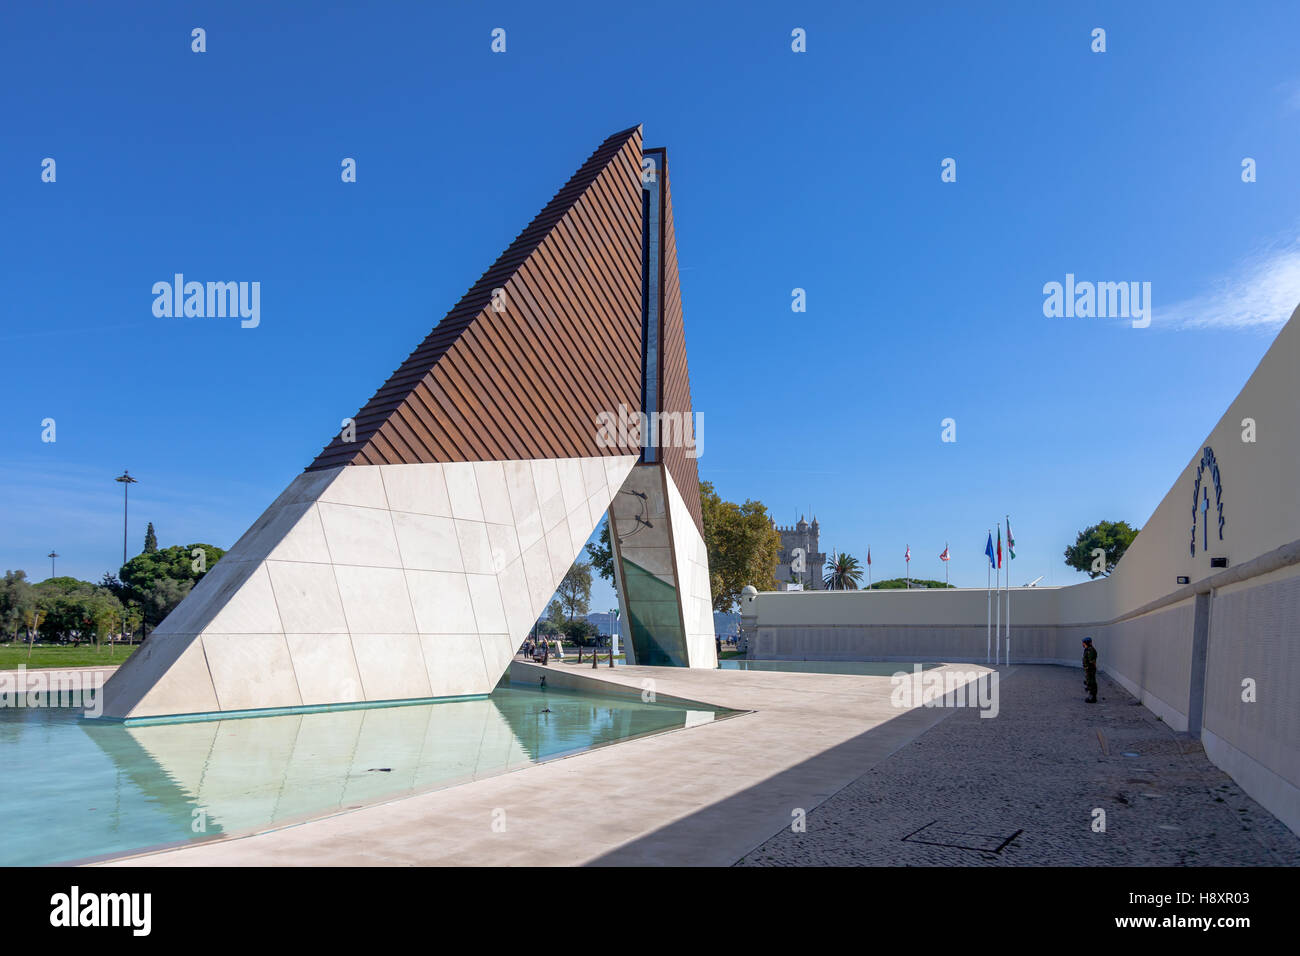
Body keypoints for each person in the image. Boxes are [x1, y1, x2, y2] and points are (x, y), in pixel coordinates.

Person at [1082, 637, 1098, 703]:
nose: (1082, 644)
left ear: (1086, 643)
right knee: (1088, 682)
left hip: (1090, 669)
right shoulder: (1087, 649)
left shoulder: (1090, 650)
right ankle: (1090, 695)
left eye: (1083, 643)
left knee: (1091, 683)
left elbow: (1092, 661)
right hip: (1088, 669)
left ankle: (1093, 697)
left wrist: (1093, 668)